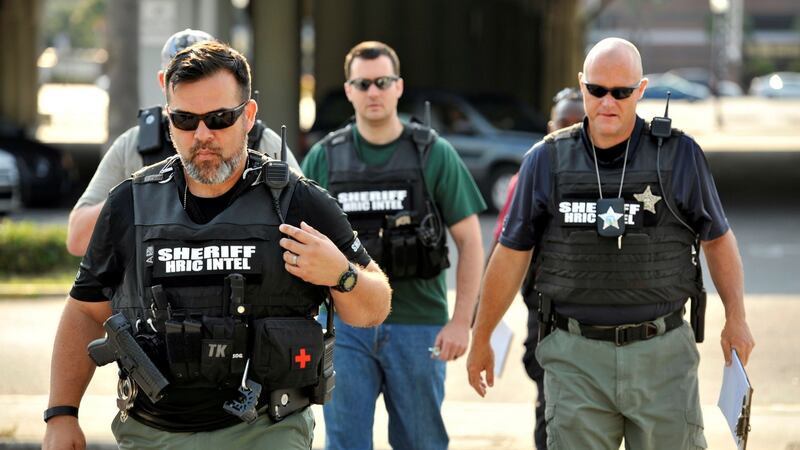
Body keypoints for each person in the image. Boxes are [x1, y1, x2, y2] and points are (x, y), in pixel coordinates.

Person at [43, 41, 392, 450]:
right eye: (185, 119)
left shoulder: (297, 201)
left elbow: (376, 306)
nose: (203, 135)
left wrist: (341, 274)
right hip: (152, 432)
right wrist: (61, 414)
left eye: (220, 118)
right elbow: (85, 311)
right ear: (168, 119)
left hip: (266, 430)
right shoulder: (129, 203)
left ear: (248, 116)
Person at [468, 37, 755, 450]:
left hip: (662, 357)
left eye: (621, 92)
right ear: (582, 85)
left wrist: (737, 318)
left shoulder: (679, 156)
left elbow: (718, 240)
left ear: (641, 90)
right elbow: (511, 253)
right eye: (597, 90)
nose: (608, 102)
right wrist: (482, 337)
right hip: (575, 356)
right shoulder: (545, 160)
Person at [301, 41, 486, 450]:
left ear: (398, 87)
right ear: (348, 90)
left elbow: (471, 241)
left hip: (418, 325)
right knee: (346, 442)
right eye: (362, 83)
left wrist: (461, 322)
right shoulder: (323, 159)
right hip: (346, 328)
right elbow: (299, 244)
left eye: (382, 82)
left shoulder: (433, 153)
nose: (373, 92)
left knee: (421, 442)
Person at [66, 28, 300, 256]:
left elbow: (307, 221)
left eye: (219, 119)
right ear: (163, 82)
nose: (203, 134)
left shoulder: (258, 140)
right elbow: (78, 239)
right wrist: (145, 194)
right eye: (184, 73)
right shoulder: (136, 145)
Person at [489, 87, 584, 450]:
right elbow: (502, 249)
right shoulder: (529, 177)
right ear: (550, 126)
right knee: (551, 412)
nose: (571, 131)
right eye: (564, 123)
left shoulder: (616, 179)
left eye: (580, 123)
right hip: (547, 319)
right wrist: (485, 319)